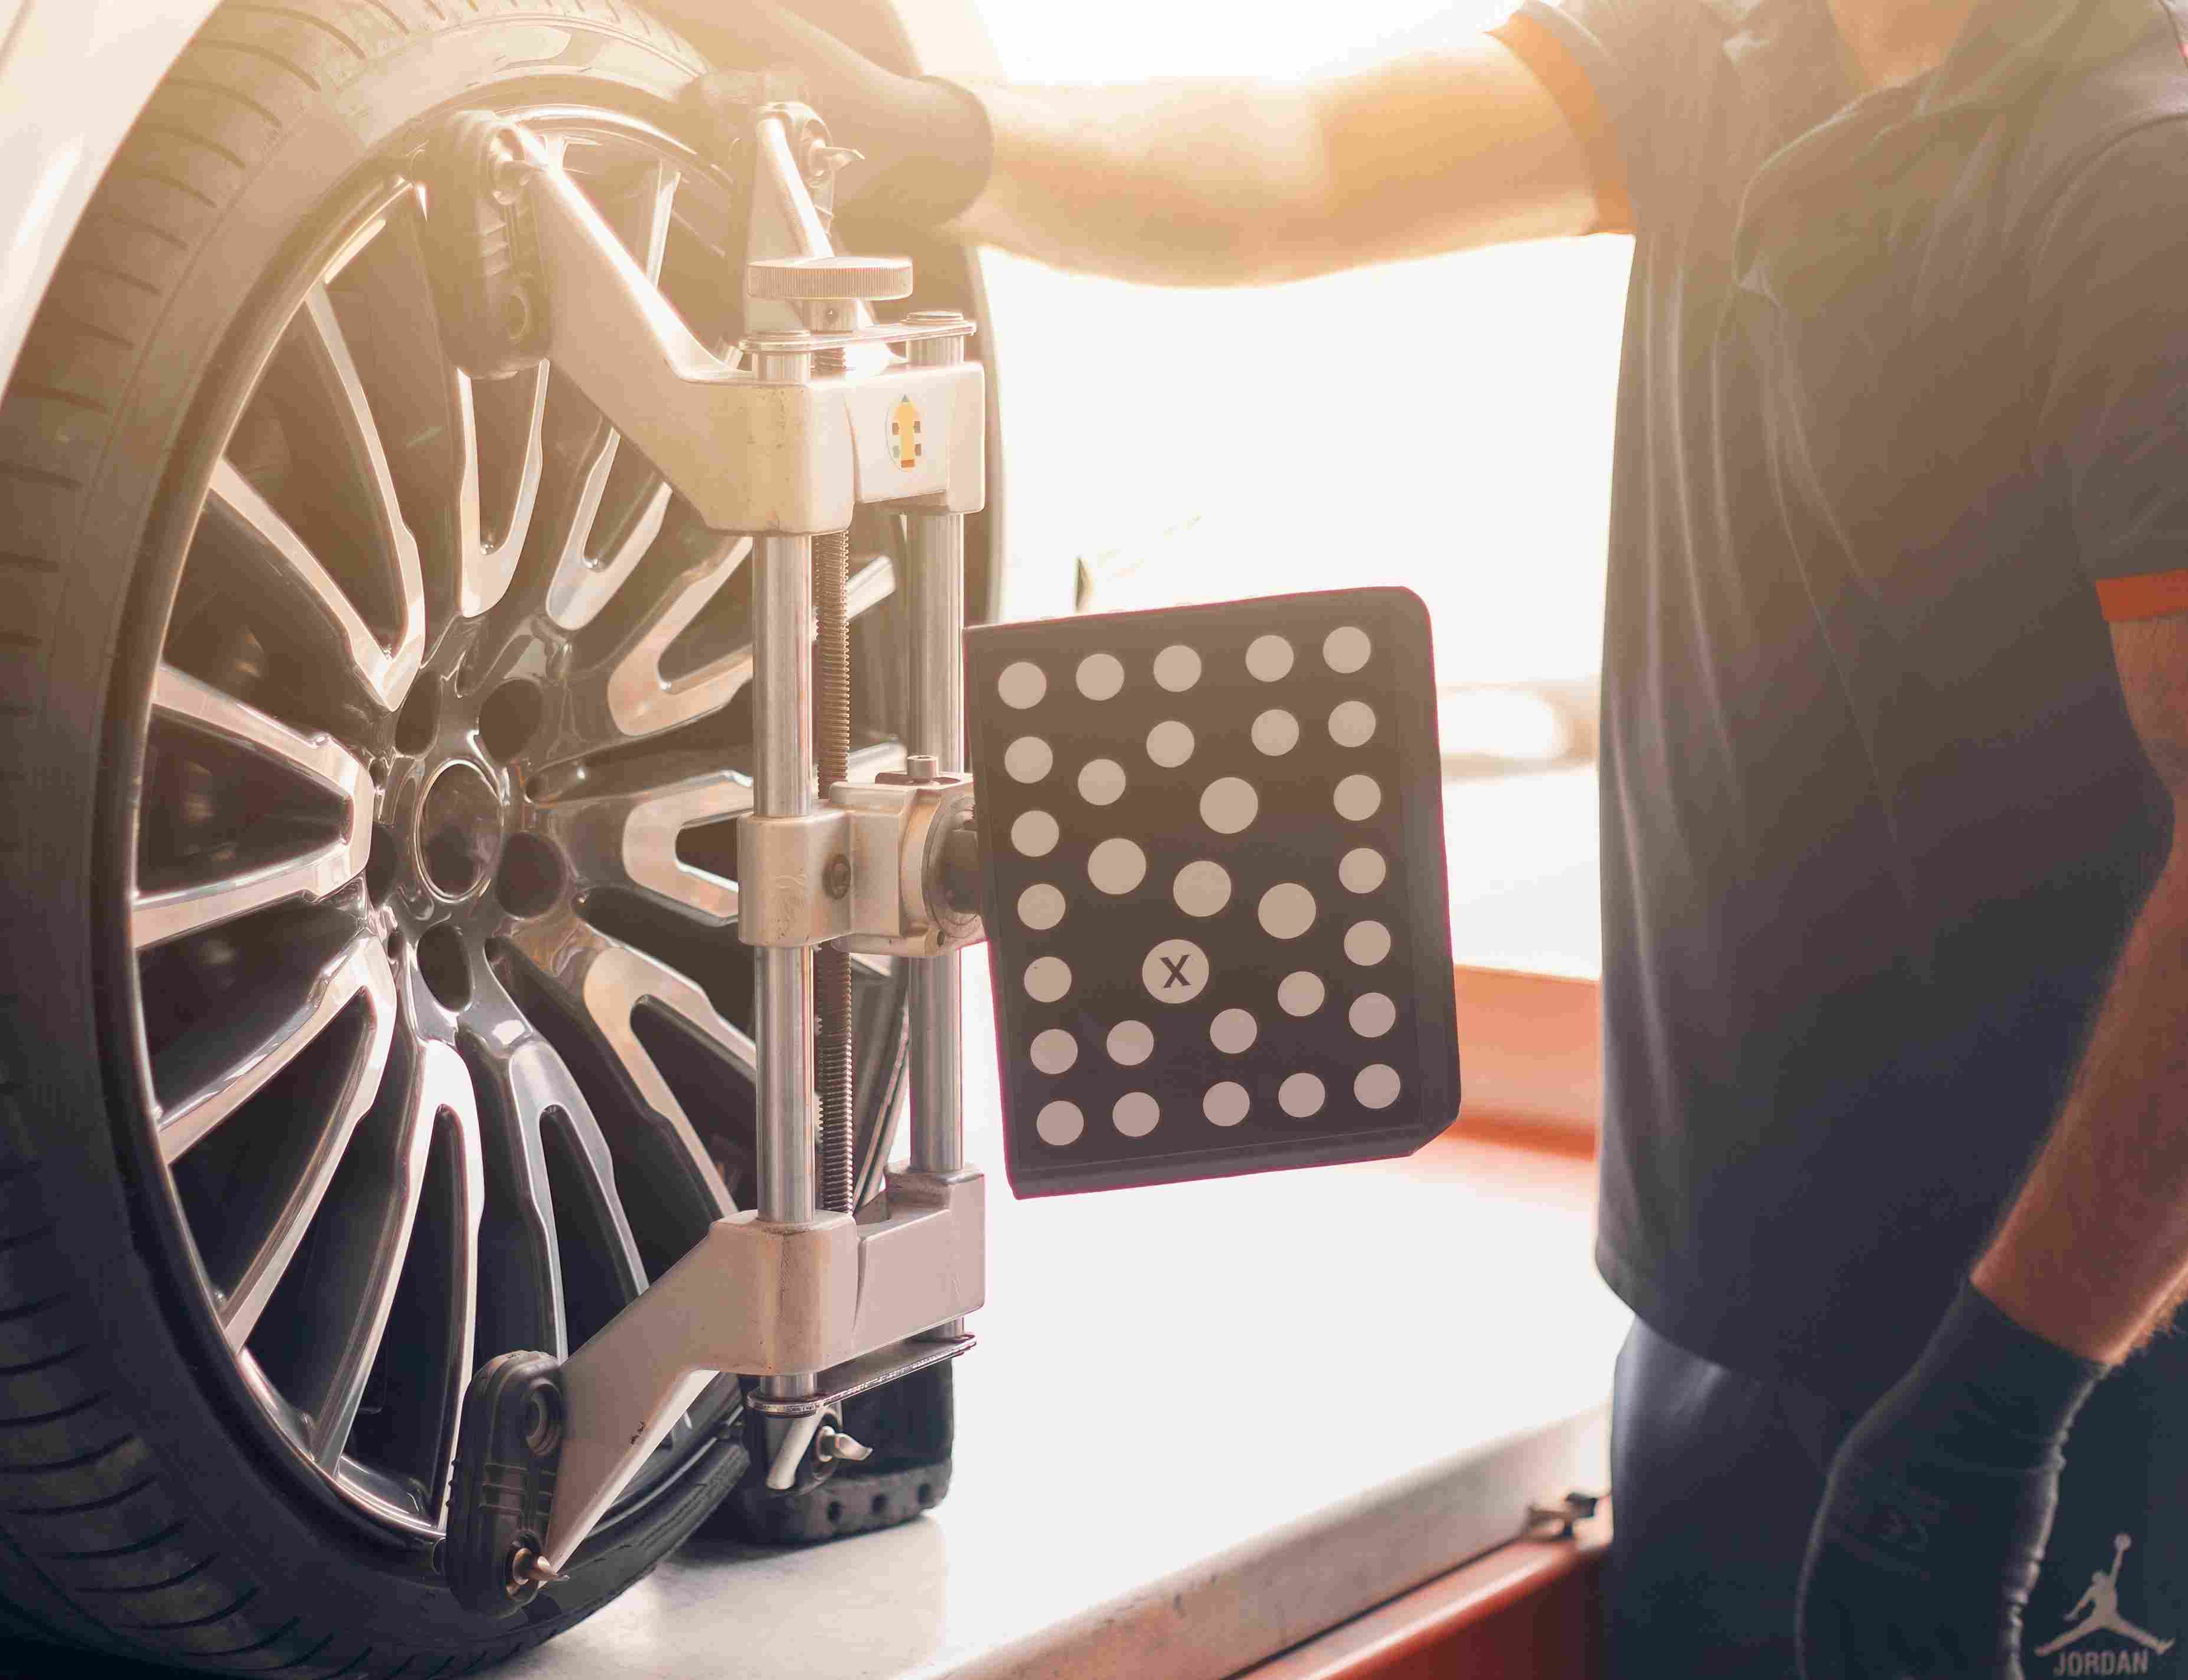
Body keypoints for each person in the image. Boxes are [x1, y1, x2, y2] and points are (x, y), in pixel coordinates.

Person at [655, 0, 2188, 1672]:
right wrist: (947, 140)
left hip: (2064, 1367)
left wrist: (1999, 1408)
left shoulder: (2134, 167)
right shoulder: (1736, 46)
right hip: (1718, 1322)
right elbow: (1298, 165)